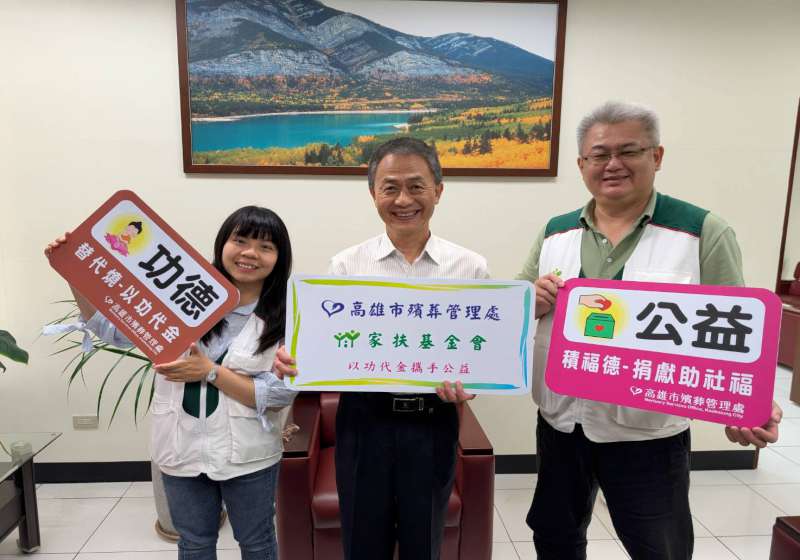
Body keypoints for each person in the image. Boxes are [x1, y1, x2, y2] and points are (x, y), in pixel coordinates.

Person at [518, 100, 783, 560]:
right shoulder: (556, 231)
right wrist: (531, 300)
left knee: (660, 548)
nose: (612, 164)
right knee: (555, 536)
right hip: (562, 422)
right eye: (599, 154)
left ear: (656, 156)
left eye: (629, 151)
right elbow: (518, 302)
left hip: (647, 434)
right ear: (581, 164)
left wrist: (744, 407)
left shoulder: (701, 231)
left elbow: (736, 333)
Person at [273, 137, 485, 560]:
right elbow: (324, 344)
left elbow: (478, 353)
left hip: (433, 420)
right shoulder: (345, 265)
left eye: (416, 186)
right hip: (363, 420)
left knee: (424, 541)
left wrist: (472, 382)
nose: (403, 199)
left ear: (438, 191)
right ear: (373, 193)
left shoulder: (470, 267)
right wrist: (295, 358)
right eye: (390, 187)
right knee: (362, 541)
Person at [45, 206, 296, 560]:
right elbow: (113, 332)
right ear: (222, 244)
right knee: (193, 543)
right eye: (240, 240)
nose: (250, 253)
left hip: (249, 454)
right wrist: (73, 270)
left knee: (257, 542)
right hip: (181, 447)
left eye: (265, 247)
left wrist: (210, 371)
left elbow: (279, 395)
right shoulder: (180, 296)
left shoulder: (290, 315)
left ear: (279, 258)